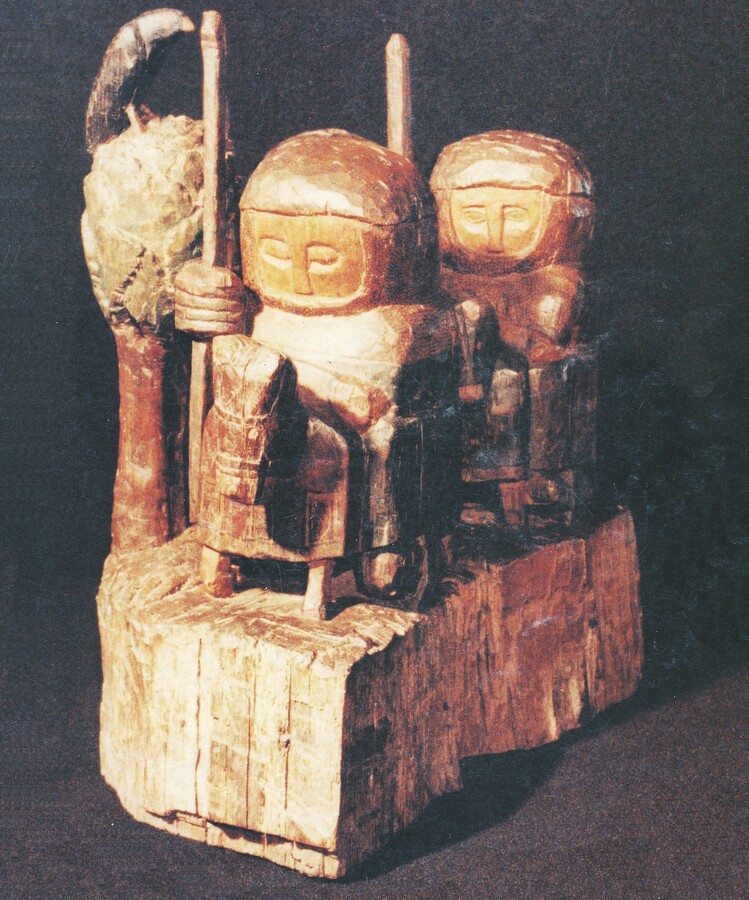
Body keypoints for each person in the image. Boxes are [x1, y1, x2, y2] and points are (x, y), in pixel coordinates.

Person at [176, 129, 460, 616]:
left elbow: (377, 399)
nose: (301, 276)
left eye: (326, 258)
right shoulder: (258, 308)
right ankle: (228, 536)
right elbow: (221, 337)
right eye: (276, 253)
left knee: (385, 440)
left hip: (348, 436)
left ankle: (383, 540)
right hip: (274, 420)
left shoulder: (398, 323)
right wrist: (206, 299)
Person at [431, 130, 597, 528]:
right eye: (474, 216)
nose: (494, 235)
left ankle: (537, 485)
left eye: (516, 215)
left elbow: (542, 340)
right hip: (467, 385)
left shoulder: (554, 285)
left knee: (522, 378)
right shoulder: (442, 280)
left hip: (515, 389)